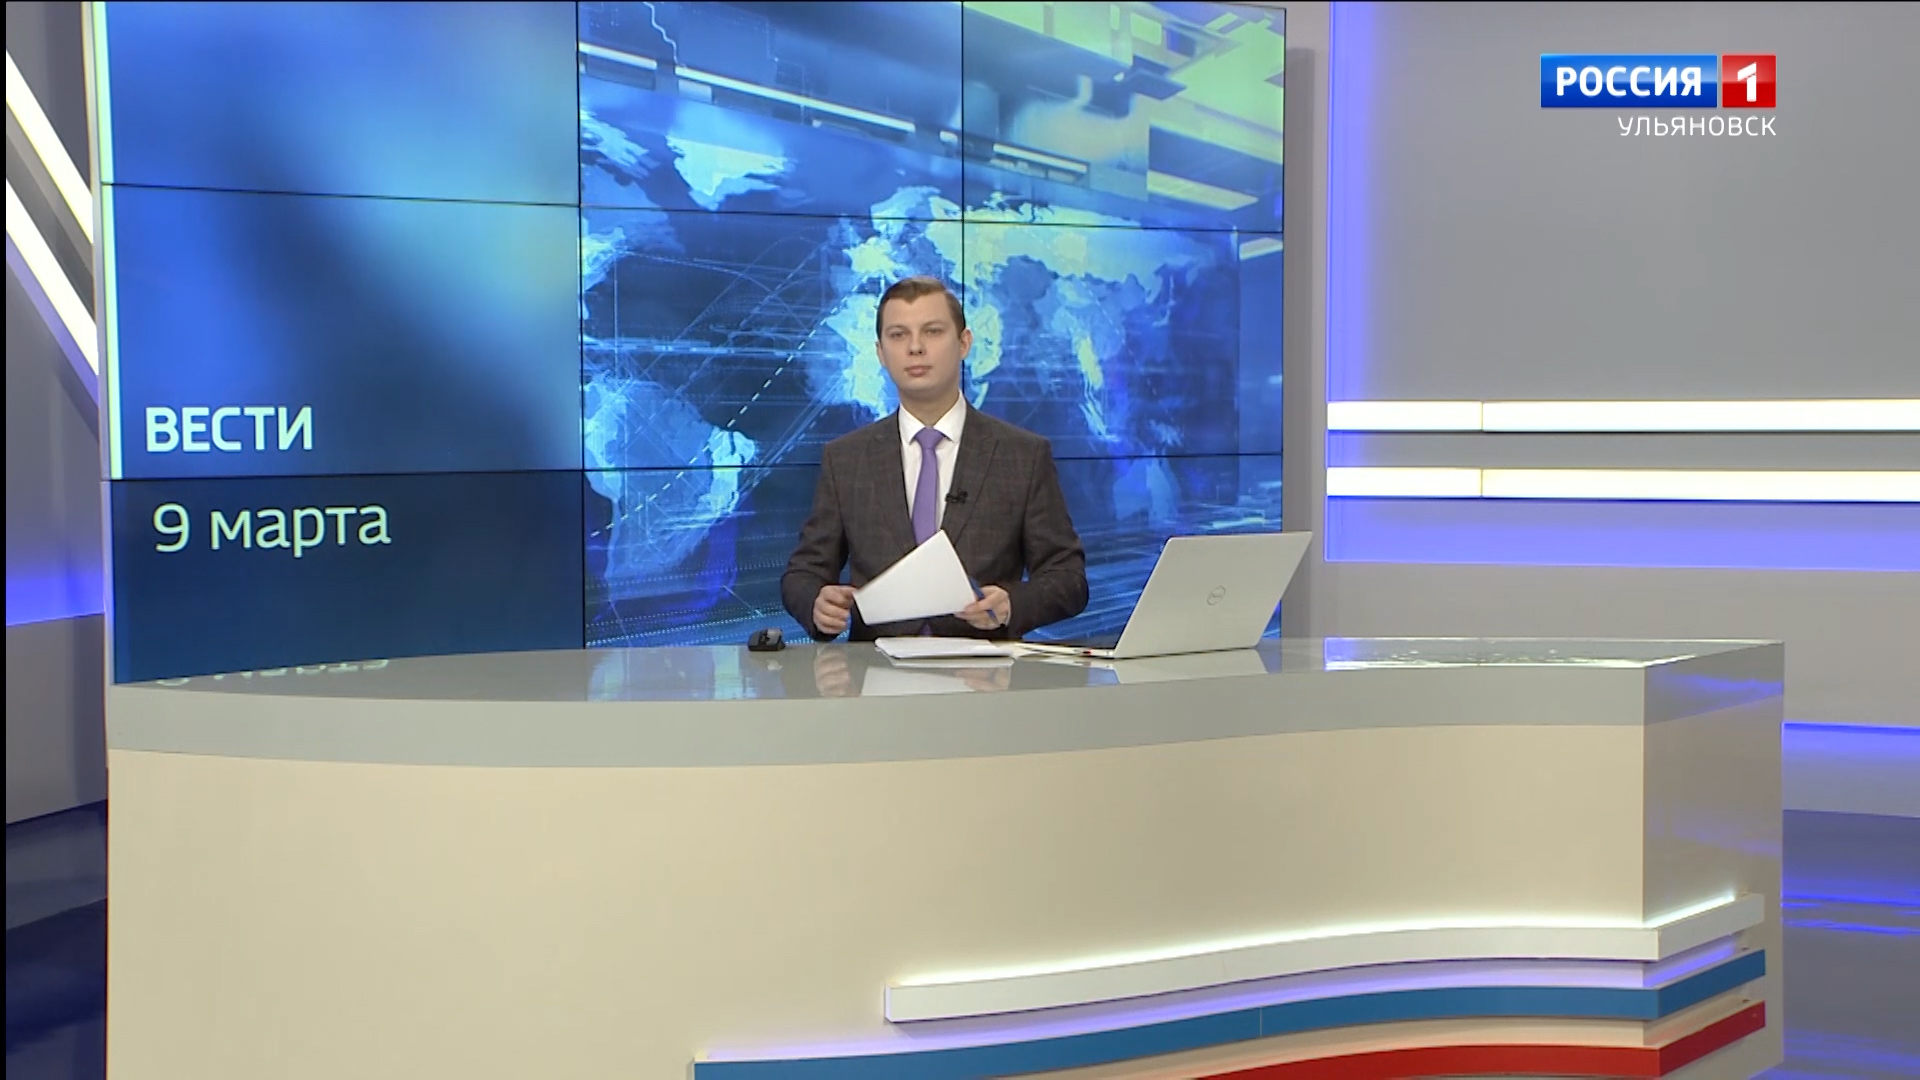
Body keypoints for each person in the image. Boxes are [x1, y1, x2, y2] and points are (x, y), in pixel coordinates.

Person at [781, 277, 1088, 641]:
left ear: (964, 343)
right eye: (898, 335)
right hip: (876, 670)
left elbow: (1068, 578)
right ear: (881, 353)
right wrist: (816, 604)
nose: (915, 348)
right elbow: (803, 573)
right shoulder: (846, 459)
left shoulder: (1022, 455)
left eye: (932, 331)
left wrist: (1012, 604)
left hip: (984, 670)